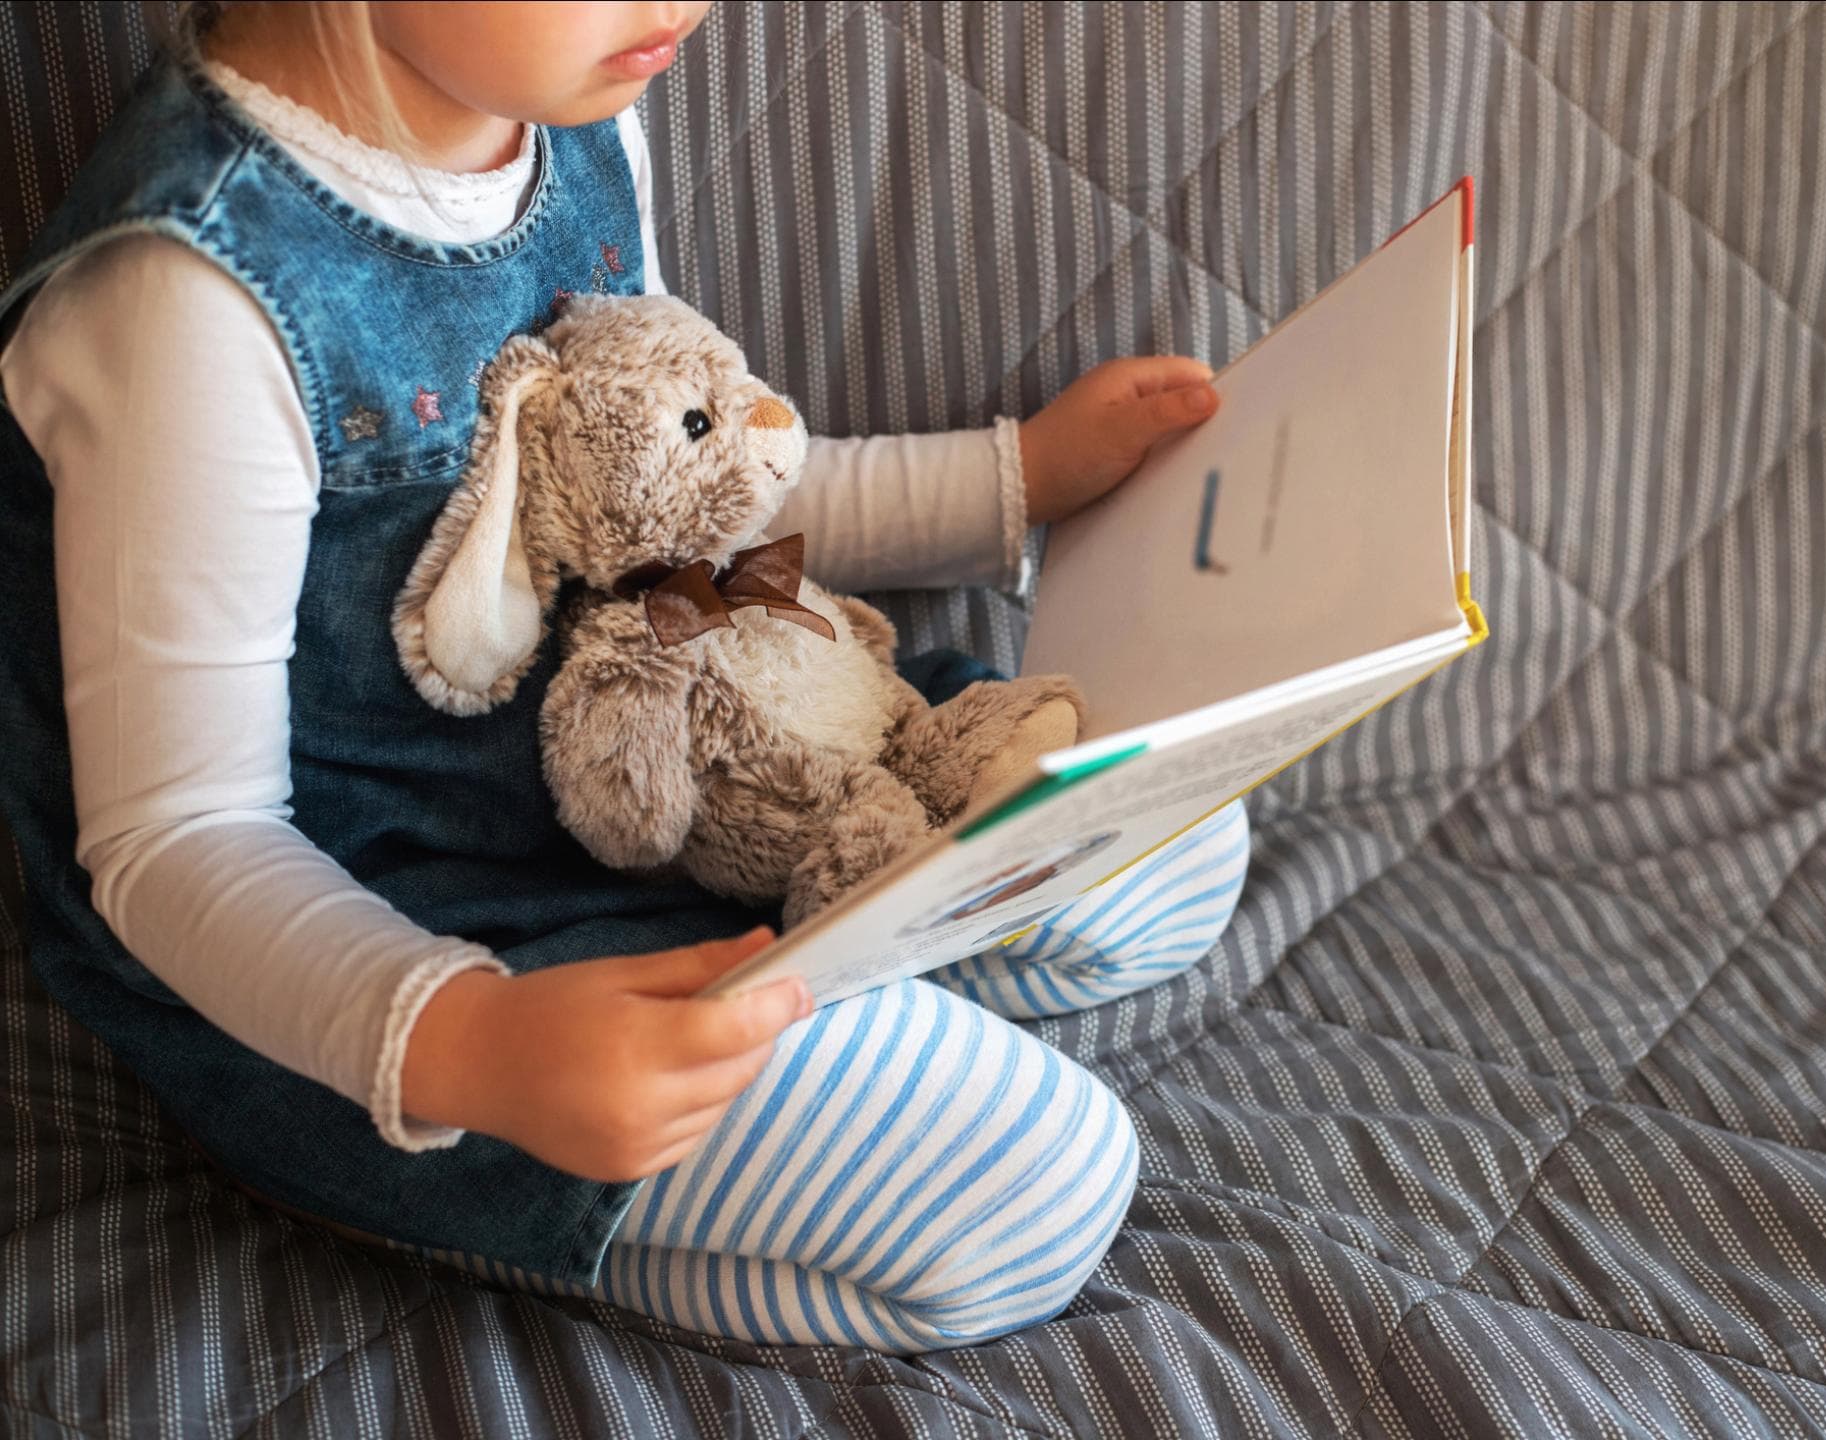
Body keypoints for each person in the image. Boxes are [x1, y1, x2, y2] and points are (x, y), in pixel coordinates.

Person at [0, 0, 1250, 1352]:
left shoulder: (564, 110)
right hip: (415, 952)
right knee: (1042, 1189)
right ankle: (460, 1198)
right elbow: (179, 841)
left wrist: (1014, 480)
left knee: (1186, 836)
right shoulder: (189, 299)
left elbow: (694, 495)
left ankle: (841, 970)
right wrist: (475, 1052)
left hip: (681, 764)